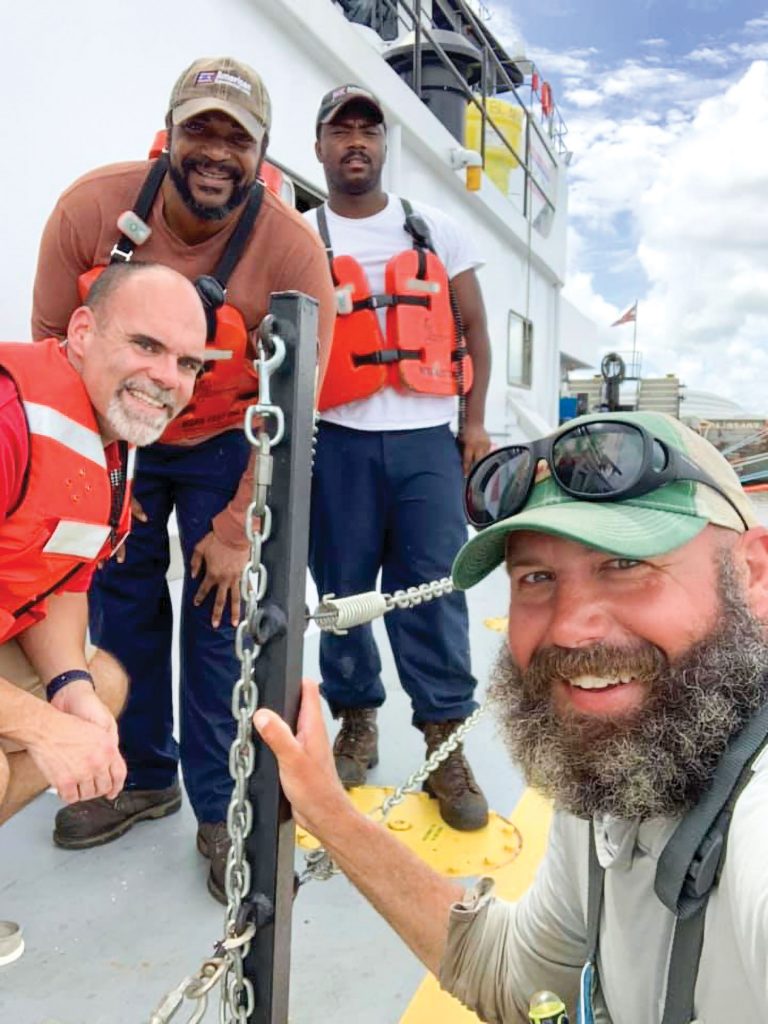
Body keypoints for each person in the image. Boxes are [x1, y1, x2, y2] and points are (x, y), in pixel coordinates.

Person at [255, 411, 768, 1021]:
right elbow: (517, 975)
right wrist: (328, 813)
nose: (571, 628)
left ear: (753, 573)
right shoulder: (616, 767)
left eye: (626, 564)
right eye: (538, 576)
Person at [31, 57, 335, 903]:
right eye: (199, 128)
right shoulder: (89, 209)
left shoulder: (292, 252)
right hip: (120, 429)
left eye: (236, 138)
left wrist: (238, 527)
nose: (215, 152)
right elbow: (58, 354)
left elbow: (297, 414)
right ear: (168, 134)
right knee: (118, 600)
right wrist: (85, 484)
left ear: (262, 153)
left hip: (226, 439)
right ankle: (142, 776)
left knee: (215, 618)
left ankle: (219, 804)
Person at [1, 261, 207, 965]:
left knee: (105, 682)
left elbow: (59, 578)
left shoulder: (109, 438)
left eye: (187, 363)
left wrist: (70, 695)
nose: (167, 377)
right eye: (146, 345)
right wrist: (44, 733)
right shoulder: (10, 423)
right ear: (83, 330)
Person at [305, 85, 493, 830]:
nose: (356, 142)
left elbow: (476, 328)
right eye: (340, 131)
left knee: (434, 595)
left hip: (424, 444)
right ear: (319, 146)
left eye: (368, 131)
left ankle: (445, 740)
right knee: (343, 593)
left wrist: (475, 424)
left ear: (385, 147)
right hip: (336, 443)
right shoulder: (299, 234)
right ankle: (357, 719)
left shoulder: (437, 229)